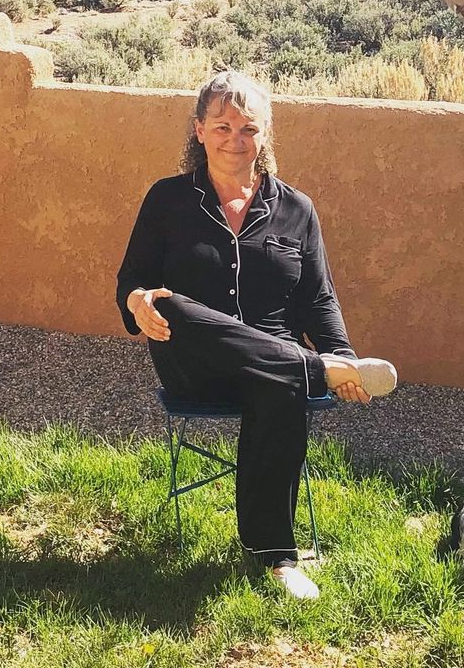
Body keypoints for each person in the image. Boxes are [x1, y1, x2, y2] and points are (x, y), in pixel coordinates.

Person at [117, 70, 397, 600]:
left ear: (264, 136)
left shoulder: (296, 209)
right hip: (194, 362)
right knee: (171, 302)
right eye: (222, 126)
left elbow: (318, 299)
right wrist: (137, 304)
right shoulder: (168, 200)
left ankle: (276, 558)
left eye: (248, 129)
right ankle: (311, 370)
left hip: (273, 372)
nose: (234, 140)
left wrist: (342, 354)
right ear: (199, 131)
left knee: (280, 376)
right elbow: (132, 283)